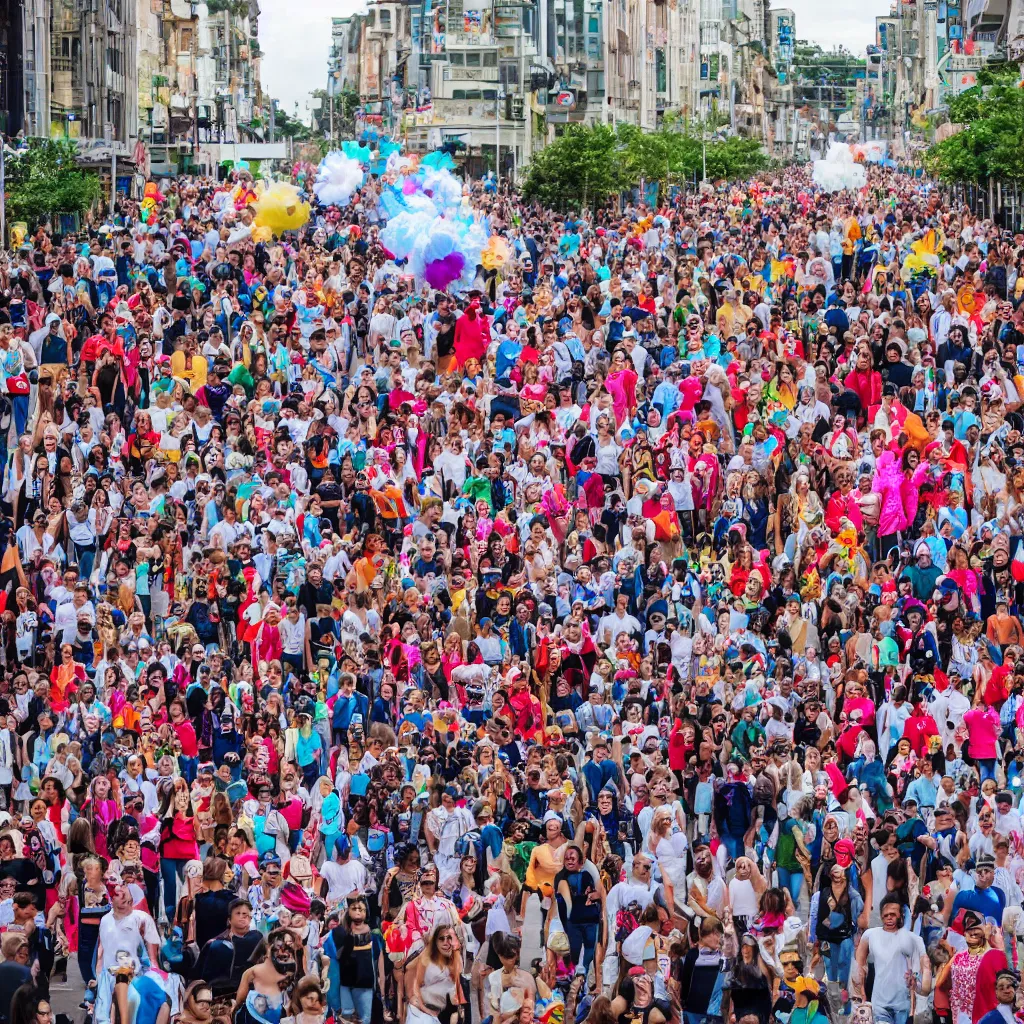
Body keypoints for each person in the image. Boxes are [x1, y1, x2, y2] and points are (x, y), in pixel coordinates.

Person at [854, 894, 931, 1024]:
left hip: (903, 1004)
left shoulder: (914, 940)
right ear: (881, 915)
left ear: (900, 915)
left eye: (893, 914)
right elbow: (859, 964)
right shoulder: (870, 935)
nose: (889, 918)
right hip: (880, 1004)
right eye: (886, 914)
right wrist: (860, 993)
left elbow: (926, 970)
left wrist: (918, 986)